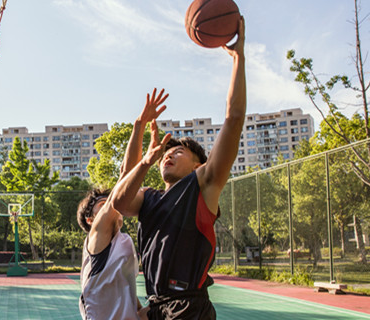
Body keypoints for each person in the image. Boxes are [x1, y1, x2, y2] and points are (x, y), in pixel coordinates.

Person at [110, 17, 246, 319]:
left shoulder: (203, 186)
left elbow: (234, 118)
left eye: (178, 152)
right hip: (158, 305)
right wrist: (139, 128)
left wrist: (239, 58)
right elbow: (119, 198)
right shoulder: (149, 198)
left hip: (189, 309)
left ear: (199, 164)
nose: (167, 156)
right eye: (165, 154)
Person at [76, 90, 170, 320]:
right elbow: (125, 177)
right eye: (102, 203)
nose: (109, 203)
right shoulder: (96, 237)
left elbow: (129, 300)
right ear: (90, 220)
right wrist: (139, 125)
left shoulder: (121, 241)